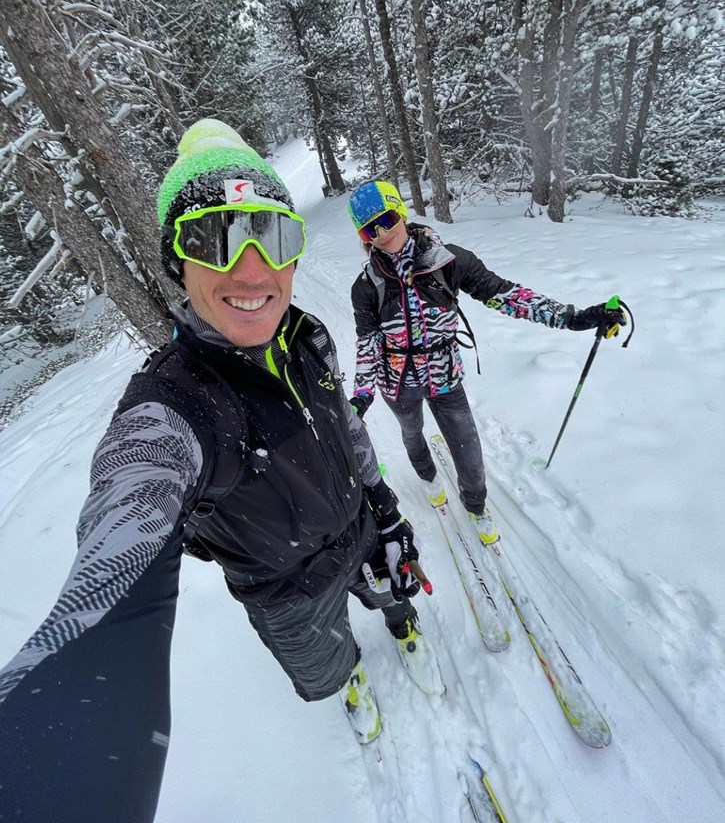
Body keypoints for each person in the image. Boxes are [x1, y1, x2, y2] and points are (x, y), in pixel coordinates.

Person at [0, 122, 438, 823]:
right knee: (325, 667)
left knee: (391, 588)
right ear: (177, 260)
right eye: (214, 237)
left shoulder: (305, 335)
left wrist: (384, 508)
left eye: (274, 234)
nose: (252, 270)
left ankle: (401, 623)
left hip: (357, 529)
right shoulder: (175, 408)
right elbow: (129, 506)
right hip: (284, 593)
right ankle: (350, 683)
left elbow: (349, 429)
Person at [348, 180, 626, 538]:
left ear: (399, 211)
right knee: (411, 432)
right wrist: (362, 394)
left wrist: (572, 317)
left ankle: (475, 505)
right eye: (370, 227)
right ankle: (429, 478)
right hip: (396, 380)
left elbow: (506, 295)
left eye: (386, 218)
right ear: (364, 236)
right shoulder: (366, 285)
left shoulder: (448, 260)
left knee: (469, 452)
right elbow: (368, 342)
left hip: (444, 374)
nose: (382, 232)